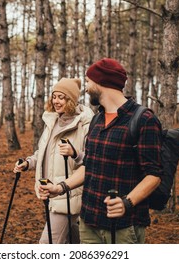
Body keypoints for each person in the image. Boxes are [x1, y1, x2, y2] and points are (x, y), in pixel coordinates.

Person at [39, 58, 163, 244]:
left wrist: (126, 203)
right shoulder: (97, 120)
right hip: (89, 222)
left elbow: (154, 175)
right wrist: (60, 187)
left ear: (102, 82)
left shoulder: (143, 119)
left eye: (89, 82)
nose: (87, 88)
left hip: (123, 226)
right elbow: (89, 165)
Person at [14, 77, 94, 244]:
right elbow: (44, 152)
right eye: (54, 96)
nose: (56, 101)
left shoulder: (85, 125)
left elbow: (93, 161)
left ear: (71, 100)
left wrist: (74, 153)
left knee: (47, 244)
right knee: (73, 243)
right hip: (51, 192)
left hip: (68, 195)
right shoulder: (53, 121)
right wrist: (28, 163)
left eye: (61, 97)